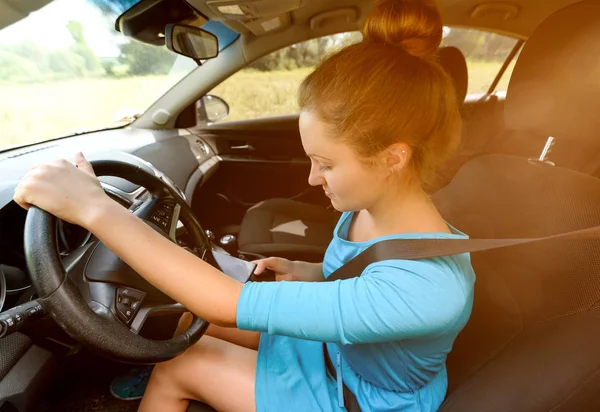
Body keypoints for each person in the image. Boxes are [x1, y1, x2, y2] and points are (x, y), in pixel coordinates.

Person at [13, 0, 476, 410]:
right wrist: (306, 272)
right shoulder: (371, 208)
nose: (312, 179)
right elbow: (358, 274)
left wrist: (95, 208)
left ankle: (172, 386)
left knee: (181, 364)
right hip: (340, 352)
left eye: (326, 164)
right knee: (189, 324)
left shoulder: (426, 286)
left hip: (356, 397)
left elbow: (225, 304)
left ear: (393, 157)